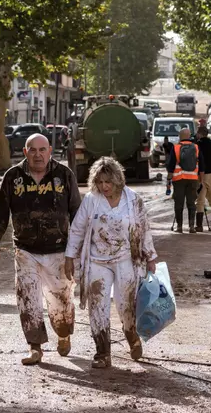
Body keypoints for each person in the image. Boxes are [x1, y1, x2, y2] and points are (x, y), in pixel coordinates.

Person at [0, 134, 82, 365]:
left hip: (59, 250)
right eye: (33, 150)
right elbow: (1, 209)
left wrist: (79, 249)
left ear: (49, 151)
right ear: (25, 151)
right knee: (27, 298)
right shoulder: (13, 176)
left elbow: (77, 213)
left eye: (42, 150)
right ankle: (35, 347)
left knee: (61, 300)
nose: (38, 154)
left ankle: (63, 333)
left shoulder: (64, 175)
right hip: (25, 250)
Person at [64, 157, 157, 369]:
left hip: (126, 259)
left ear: (118, 181)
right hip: (97, 261)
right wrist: (70, 256)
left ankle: (131, 335)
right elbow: (77, 229)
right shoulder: (91, 200)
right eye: (100, 182)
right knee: (97, 306)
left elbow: (144, 229)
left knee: (127, 304)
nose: (104, 187)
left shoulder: (133, 200)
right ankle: (102, 352)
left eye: (108, 182)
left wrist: (151, 257)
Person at [165, 128, 205, 233]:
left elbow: (171, 165)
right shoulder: (196, 147)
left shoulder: (176, 147)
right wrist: (201, 180)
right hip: (193, 179)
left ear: (180, 136)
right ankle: (191, 226)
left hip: (179, 179)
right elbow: (201, 166)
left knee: (179, 203)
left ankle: (179, 227)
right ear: (189, 136)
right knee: (191, 203)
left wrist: (168, 180)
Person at [194, 126, 211, 232]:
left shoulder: (198, 144)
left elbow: (198, 159)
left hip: (202, 174)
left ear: (200, 133)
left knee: (200, 200)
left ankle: (199, 226)